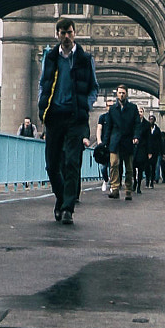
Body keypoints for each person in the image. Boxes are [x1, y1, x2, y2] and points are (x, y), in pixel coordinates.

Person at [36, 16, 98, 225]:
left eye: (70, 32)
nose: (66, 36)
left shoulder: (85, 58)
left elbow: (94, 87)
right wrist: (42, 106)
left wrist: (86, 105)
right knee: (52, 166)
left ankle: (68, 209)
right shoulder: (50, 57)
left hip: (74, 117)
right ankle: (62, 199)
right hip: (54, 116)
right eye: (63, 33)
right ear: (57, 35)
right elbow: (43, 84)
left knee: (72, 163)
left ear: (75, 33)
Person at [102, 83, 140, 201]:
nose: (122, 95)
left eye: (123, 93)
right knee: (114, 164)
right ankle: (115, 188)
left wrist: (136, 136)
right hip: (115, 140)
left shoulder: (133, 108)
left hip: (128, 140)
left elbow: (137, 124)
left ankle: (128, 190)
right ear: (117, 94)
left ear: (126, 94)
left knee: (129, 167)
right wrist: (105, 143)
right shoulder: (113, 109)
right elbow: (108, 127)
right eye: (120, 93)